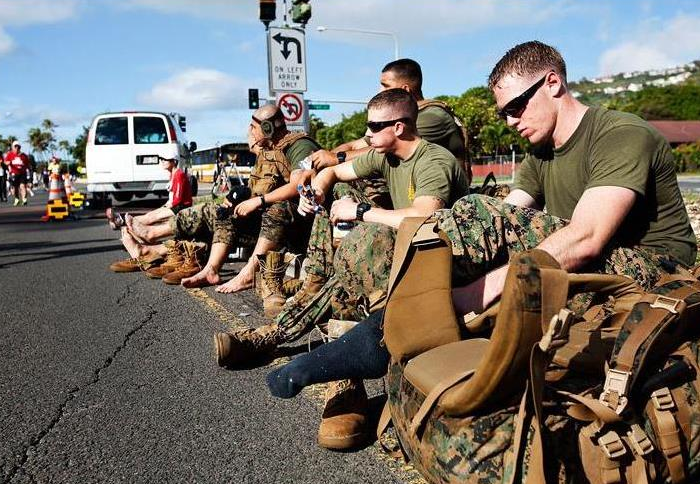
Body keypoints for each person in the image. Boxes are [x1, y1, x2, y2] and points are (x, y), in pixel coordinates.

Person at [266, 41, 697, 426]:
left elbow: (586, 238)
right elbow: (505, 217)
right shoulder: (540, 153)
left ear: (552, 84)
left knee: (473, 228)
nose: (510, 122)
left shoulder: (619, 133)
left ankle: (382, 333)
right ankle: (389, 330)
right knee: (444, 225)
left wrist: (472, 294)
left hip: (655, 276)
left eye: (516, 107)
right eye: (502, 113)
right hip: (590, 264)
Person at [218, 88, 469, 450]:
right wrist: (317, 191)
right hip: (409, 254)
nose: (365, 136)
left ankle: (281, 341)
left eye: (373, 127)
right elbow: (335, 170)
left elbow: (424, 218)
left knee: (361, 245)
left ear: (398, 127)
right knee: (343, 224)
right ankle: (334, 365)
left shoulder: (433, 161)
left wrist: (362, 213)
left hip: (446, 262)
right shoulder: (387, 157)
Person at [115, 105, 320, 289]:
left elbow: (298, 185)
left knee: (275, 209)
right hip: (269, 220)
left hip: (298, 222)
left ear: (266, 128)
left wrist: (258, 201)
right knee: (224, 213)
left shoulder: (299, 145)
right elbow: (259, 188)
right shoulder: (268, 152)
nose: (250, 131)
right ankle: (209, 269)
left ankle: (248, 273)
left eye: (253, 126)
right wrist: (239, 199)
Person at [310, 58, 470, 184]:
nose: (380, 91)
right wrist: (326, 158)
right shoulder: (396, 118)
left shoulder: (433, 116)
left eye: (385, 86)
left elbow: (386, 148)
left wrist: (337, 158)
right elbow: (355, 145)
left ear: (405, 90)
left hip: (443, 200)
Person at [106, 155, 192, 231]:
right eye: (161, 159)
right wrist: (166, 205)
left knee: (151, 218)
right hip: (174, 205)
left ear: (174, 161)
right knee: (149, 215)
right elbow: (172, 196)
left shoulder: (179, 174)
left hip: (181, 207)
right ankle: (120, 220)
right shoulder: (172, 174)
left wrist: (168, 206)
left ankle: (120, 221)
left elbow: (178, 197)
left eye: (165, 159)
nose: (162, 161)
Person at [5, 141, 30, 206]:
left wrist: (27, 171)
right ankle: (17, 199)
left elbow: (27, 164)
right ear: (13, 147)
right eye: (15, 147)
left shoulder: (24, 155)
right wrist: (8, 163)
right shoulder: (10, 154)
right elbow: (5, 162)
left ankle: (24, 199)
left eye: (18, 147)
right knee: (15, 187)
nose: (17, 148)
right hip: (14, 173)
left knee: (22, 186)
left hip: (22, 173)